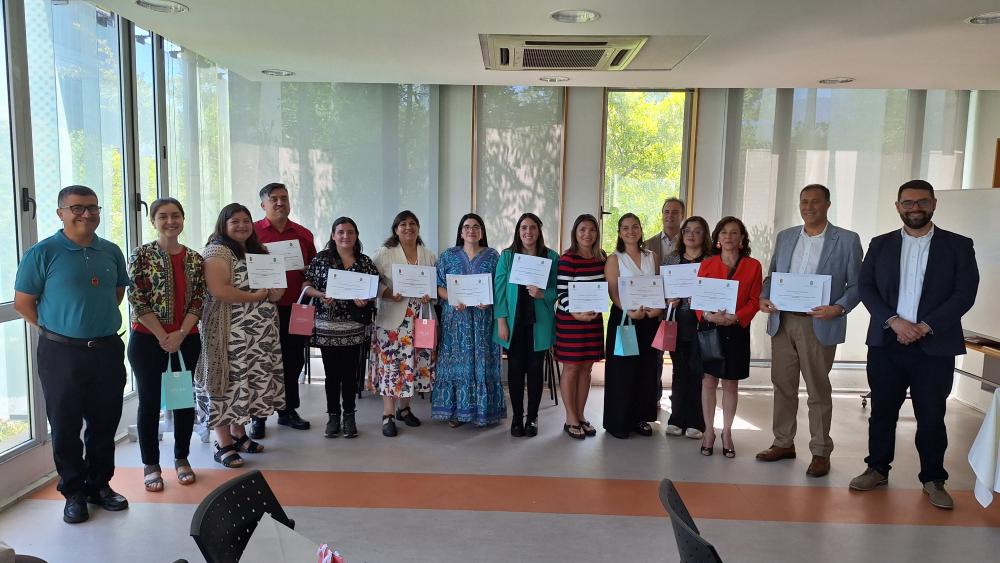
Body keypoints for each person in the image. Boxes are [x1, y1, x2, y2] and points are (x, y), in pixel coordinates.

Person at [849, 179, 979, 510]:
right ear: (898, 207)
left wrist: (924, 326)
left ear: (934, 204)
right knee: (882, 411)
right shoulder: (880, 244)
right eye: (908, 203)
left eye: (922, 202)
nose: (915, 208)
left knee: (932, 415)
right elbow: (866, 288)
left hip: (935, 345)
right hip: (886, 342)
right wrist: (894, 321)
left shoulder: (958, 245)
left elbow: (965, 293)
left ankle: (933, 479)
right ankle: (877, 468)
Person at [13, 185, 131, 524]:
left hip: (106, 349)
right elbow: (23, 303)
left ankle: (99, 486)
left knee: (104, 422)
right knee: (65, 425)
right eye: (77, 208)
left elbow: (116, 293)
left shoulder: (110, 251)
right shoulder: (42, 252)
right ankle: (73, 492)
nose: (86, 214)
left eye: (93, 207)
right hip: (60, 353)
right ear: (61, 213)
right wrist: (59, 329)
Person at [756, 184, 863, 478]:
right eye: (804, 201)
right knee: (783, 385)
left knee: (817, 388)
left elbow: (857, 285)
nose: (809, 207)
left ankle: (820, 450)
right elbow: (772, 276)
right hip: (783, 321)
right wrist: (764, 297)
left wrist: (838, 308)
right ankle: (783, 442)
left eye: (815, 201)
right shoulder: (786, 236)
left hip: (820, 322)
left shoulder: (847, 240)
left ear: (828, 204)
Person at [196, 203, 286, 468]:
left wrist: (274, 291)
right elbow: (219, 290)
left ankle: (238, 434)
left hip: (258, 336)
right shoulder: (217, 251)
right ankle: (222, 442)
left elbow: (277, 291)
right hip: (228, 333)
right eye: (234, 221)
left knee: (246, 383)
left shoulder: (260, 251)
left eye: (246, 220)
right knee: (226, 383)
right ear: (223, 224)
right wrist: (255, 297)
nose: (242, 225)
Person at [126, 198, 205, 492]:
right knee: (149, 402)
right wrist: (163, 335)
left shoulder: (195, 259)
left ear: (183, 219)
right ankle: (151, 464)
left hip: (186, 340)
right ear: (153, 221)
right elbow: (136, 298)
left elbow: (199, 299)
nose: (170, 221)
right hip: (148, 340)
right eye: (163, 216)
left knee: (182, 399)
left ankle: (182, 458)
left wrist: (180, 334)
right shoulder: (141, 255)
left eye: (175, 216)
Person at [303, 217, 378, 438]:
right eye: (341, 232)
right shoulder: (321, 259)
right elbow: (306, 284)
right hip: (327, 327)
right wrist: (319, 294)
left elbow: (374, 290)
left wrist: (365, 299)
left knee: (350, 375)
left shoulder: (364, 262)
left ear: (356, 235)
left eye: (350, 232)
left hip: (354, 327)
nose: (346, 236)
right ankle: (333, 417)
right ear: (333, 235)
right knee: (332, 375)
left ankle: (350, 416)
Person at [252, 182, 317, 437]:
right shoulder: (251, 233)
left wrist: (307, 275)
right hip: (261, 309)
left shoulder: (303, 234)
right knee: (261, 362)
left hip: (296, 308)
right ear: (263, 204)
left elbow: (314, 271)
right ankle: (258, 417)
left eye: (284, 198)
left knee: (293, 360)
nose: (280, 203)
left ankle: (288, 411)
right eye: (274, 199)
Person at [696, 217, 762, 458]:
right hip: (711, 328)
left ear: (742, 238)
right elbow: (698, 298)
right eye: (724, 232)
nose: (729, 237)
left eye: (734, 233)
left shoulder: (753, 266)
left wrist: (736, 317)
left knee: (731, 383)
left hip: (736, 329)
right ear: (717, 238)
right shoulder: (707, 264)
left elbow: (755, 300)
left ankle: (727, 432)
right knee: (708, 382)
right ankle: (708, 432)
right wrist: (707, 315)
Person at [432, 214, 505, 427]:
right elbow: (437, 285)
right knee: (456, 366)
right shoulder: (448, 256)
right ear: (461, 232)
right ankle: (456, 411)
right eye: (466, 227)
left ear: (482, 232)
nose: (471, 230)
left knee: (483, 364)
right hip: (455, 322)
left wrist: (488, 301)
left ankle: (484, 412)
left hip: (483, 321)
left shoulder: (493, 256)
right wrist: (452, 298)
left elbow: (499, 287)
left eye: (476, 227)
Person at [371, 210, 437, 437]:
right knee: (391, 365)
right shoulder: (385, 253)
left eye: (412, 223)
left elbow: (434, 285)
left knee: (413, 364)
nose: (408, 228)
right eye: (403, 224)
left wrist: (430, 295)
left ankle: (405, 409)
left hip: (419, 319)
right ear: (396, 229)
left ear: (418, 228)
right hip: (393, 320)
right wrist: (388, 293)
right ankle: (388, 414)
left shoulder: (428, 254)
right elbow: (371, 280)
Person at [494, 212, 559, 438]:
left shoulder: (551, 256)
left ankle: (532, 417)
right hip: (514, 324)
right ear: (518, 231)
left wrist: (543, 294)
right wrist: (501, 321)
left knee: (535, 372)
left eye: (532, 227)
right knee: (514, 372)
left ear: (539, 231)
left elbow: (557, 289)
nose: (528, 232)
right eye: (523, 228)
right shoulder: (507, 256)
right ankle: (517, 417)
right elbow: (499, 291)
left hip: (539, 324)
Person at [603, 213, 664, 439]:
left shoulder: (652, 256)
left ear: (640, 230)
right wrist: (628, 310)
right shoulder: (614, 259)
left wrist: (657, 309)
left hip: (649, 320)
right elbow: (613, 291)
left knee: (646, 369)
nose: (631, 231)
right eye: (626, 228)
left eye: (635, 226)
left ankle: (640, 418)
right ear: (619, 233)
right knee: (622, 370)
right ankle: (619, 422)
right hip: (625, 319)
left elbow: (658, 286)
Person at [555, 214, 606, 439]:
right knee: (572, 368)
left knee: (586, 369)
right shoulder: (568, 259)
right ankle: (570, 418)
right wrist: (575, 313)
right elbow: (561, 291)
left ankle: (581, 415)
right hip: (570, 322)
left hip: (593, 321)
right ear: (575, 233)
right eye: (582, 229)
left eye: (592, 230)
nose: (587, 234)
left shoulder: (602, 258)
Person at [662, 216, 712, 440]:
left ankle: (696, 421)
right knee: (679, 370)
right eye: (687, 231)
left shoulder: (712, 260)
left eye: (697, 231)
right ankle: (676, 419)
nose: (691, 235)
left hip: (703, 323)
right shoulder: (671, 259)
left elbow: (717, 291)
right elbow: (661, 290)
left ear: (705, 235)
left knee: (698, 372)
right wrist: (668, 299)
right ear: (682, 235)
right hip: (678, 321)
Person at [646, 197, 685, 267]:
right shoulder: (648, 244)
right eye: (667, 212)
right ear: (662, 215)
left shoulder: (689, 242)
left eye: (675, 212)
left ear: (682, 216)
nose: (670, 215)